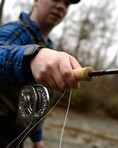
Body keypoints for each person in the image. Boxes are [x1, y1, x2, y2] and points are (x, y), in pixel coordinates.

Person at [0, 0, 81, 147]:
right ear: (36, 1)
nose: (61, 6)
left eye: (67, 3)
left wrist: (37, 139)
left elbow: (37, 102)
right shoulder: (14, 31)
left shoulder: (50, 47)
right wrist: (30, 57)